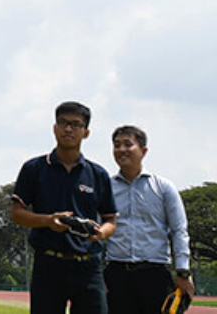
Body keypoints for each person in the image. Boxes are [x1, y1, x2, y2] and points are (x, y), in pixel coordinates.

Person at [11, 101, 118, 314]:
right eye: (63, 123)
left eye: (75, 124)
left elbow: (110, 221)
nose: (68, 129)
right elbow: (17, 213)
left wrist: (99, 234)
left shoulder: (98, 174)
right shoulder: (34, 168)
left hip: (88, 267)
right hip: (48, 264)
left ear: (86, 132)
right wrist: (48, 221)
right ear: (54, 128)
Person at [104, 125, 194, 313]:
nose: (121, 150)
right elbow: (96, 232)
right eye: (117, 145)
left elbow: (179, 230)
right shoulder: (105, 189)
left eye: (128, 144)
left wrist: (183, 272)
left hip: (155, 274)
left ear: (143, 151)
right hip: (116, 275)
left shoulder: (163, 188)